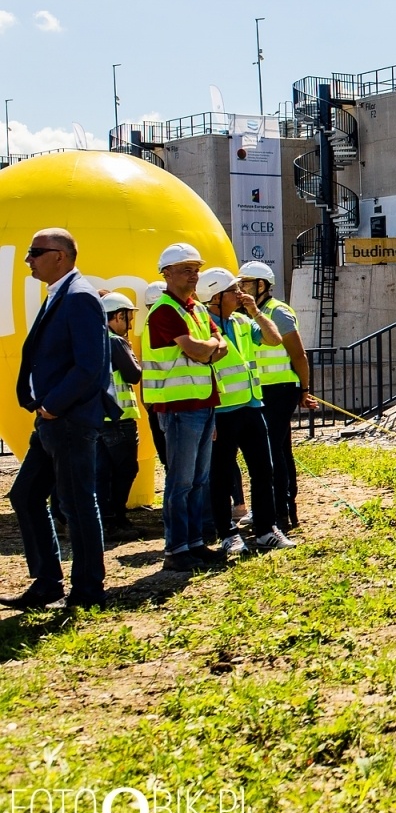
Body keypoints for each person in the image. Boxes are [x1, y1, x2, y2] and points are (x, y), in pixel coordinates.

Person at [2, 229, 118, 610]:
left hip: (68, 419)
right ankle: (48, 583)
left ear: (61, 257)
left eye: (36, 252)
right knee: (26, 495)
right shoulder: (61, 294)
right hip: (53, 420)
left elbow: (90, 366)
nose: (28, 259)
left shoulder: (80, 297)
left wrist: (52, 404)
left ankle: (87, 590)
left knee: (77, 502)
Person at [144, 242, 227, 571]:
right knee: (181, 481)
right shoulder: (165, 310)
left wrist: (207, 347)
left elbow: (220, 346)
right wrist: (209, 347)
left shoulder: (197, 309)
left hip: (202, 403)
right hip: (178, 407)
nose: (194, 275)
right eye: (186, 270)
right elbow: (201, 349)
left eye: (196, 269)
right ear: (166, 274)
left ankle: (193, 543)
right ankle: (177, 549)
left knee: (197, 479)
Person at [201, 267, 293, 556]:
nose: (240, 294)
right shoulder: (202, 326)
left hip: (252, 407)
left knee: (263, 470)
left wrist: (256, 312)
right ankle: (227, 534)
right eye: (233, 290)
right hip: (221, 411)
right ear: (215, 297)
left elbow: (274, 339)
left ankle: (266, 530)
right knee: (221, 476)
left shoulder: (242, 321)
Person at [237, 262, 311, 530]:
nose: (241, 289)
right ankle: (280, 506)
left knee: (272, 452)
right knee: (278, 450)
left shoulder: (278, 312)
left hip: (280, 389)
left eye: (246, 283)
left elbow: (298, 354)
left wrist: (304, 389)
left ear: (261, 285)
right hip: (260, 390)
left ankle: (280, 509)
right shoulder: (246, 314)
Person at [97, 292, 142, 544]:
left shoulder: (93, 339)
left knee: (102, 473)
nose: (129, 323)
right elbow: (134, 375)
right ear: (117, 316)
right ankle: (117, 521)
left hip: (98, 420)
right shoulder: (115, 341)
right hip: (120, 419)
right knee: (125, 470)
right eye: (127, 316)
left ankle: (105, 521)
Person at [140, 280, 169, 469]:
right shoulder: (151, 328)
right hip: (167, 403)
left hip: (161, 403)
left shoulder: (147, 328)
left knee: (170, 460)